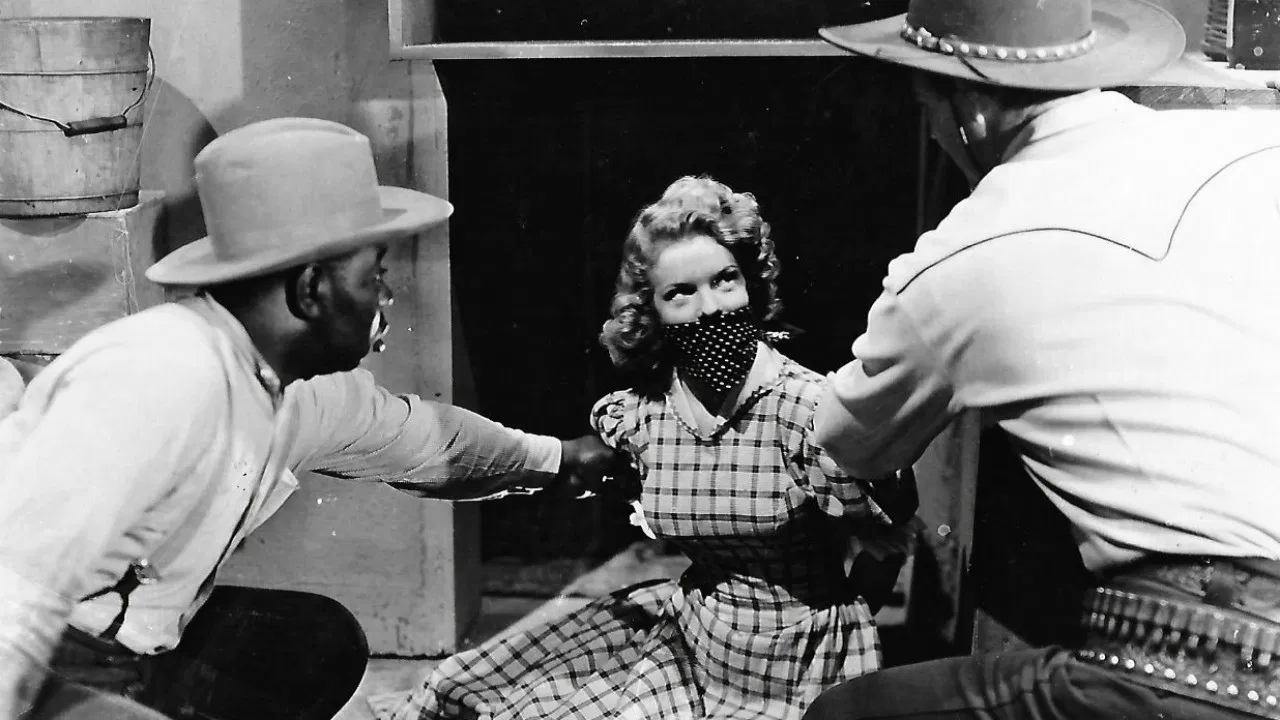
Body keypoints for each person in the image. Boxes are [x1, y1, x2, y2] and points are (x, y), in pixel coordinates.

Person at [0, 117, 626, 720]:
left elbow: (427, 443)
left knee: (316, 642)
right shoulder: (167, 371)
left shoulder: (289, 387)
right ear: (311, 290)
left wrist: (564, 461)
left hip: (134, 645)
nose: (386, 296)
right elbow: (17, 573)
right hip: (38, 656)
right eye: (373, 275)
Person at [802, 0, 1280, 718]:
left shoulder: (961, 259)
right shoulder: (1250, 148)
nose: (934, 132)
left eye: (927, 109)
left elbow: (848, 439)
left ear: (968, 109)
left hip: (1207, 658)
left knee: (846, 714)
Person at [381, 175, 920, 720]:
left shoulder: (808, 411)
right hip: (692, 637)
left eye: (725, 281)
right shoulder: (642, 416)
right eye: (680, 293)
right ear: (652, 310)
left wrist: (843, 641)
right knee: (472, 693)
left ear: (751, 284)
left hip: (803, 654)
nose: (710, 309)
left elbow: (887, 547)